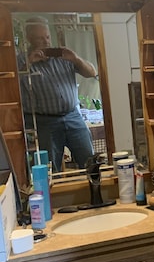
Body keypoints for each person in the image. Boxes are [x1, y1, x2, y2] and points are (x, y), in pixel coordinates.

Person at [18, 17, 97, 172]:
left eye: (47, 37)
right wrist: (29, 63)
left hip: (73, 116)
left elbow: (92, 72)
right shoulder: (22, 60)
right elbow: (10, 86)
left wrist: (76, 59)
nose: (46, 42)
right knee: (50, 168)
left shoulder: (63, 57)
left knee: (89, 160)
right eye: (40, 38)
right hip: (45, 122)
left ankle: (94, 192)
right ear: (29, 39)